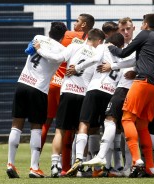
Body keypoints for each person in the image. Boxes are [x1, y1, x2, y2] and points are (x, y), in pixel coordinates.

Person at [34, 28, 105, 178]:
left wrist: (40, 51)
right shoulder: (98, 53)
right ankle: (80, 167)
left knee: (60, 130)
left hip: (67, 92)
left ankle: (54, 166)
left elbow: (57, 58)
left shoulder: (74, 46)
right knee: (81, 130)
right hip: (84, 94)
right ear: (98, 41)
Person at [107, 13, 154, 177]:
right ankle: (150, 167)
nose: (141, 26)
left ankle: (136, 160)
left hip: (143, 82)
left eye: (142, 23)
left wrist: (108, 46)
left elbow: (123, 53)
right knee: (142, 126)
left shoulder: (145, 34)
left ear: (146, 24)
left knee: (126, 119)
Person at [6, 22, 67, 178]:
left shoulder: (38, 37)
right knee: (36, 127)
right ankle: (34, 167)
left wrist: (39, 48)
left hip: (22, 83)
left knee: (16, 125)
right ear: (63, 36)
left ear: (49, 31)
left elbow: (30, 50)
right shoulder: (62, 49)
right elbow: (55, 58)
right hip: (38, 89)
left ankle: (10, 163)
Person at [82, 17, 137, 178]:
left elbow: (142, 63)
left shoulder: (135, 46)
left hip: (129, 90)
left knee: (121, 126)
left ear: (133, 28)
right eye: (122, 30)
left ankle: (126, 165)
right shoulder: (112, 47)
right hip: (113, 90)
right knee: (113, 125)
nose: (125, 32)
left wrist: (134, 71)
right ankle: (112, 165)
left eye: (128, 29)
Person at [40, 13, 95, 176]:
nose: (74, 24)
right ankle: (73, 166)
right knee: (79, 130)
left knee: (51, 126)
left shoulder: (68, 36)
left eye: (77, 21)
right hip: (82, 90)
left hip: (58, 84)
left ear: (84, 24)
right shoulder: (96, 47)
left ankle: (43, 164)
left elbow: (55, 55)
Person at [65, 32, 125, 177]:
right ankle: (101, 166)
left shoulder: (103, 47)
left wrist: (77, 68)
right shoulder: (123, 55)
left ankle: (79, 159)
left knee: (84, 123)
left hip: (95, 89)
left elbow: (95, 59)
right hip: (111, 93)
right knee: (106, 128)